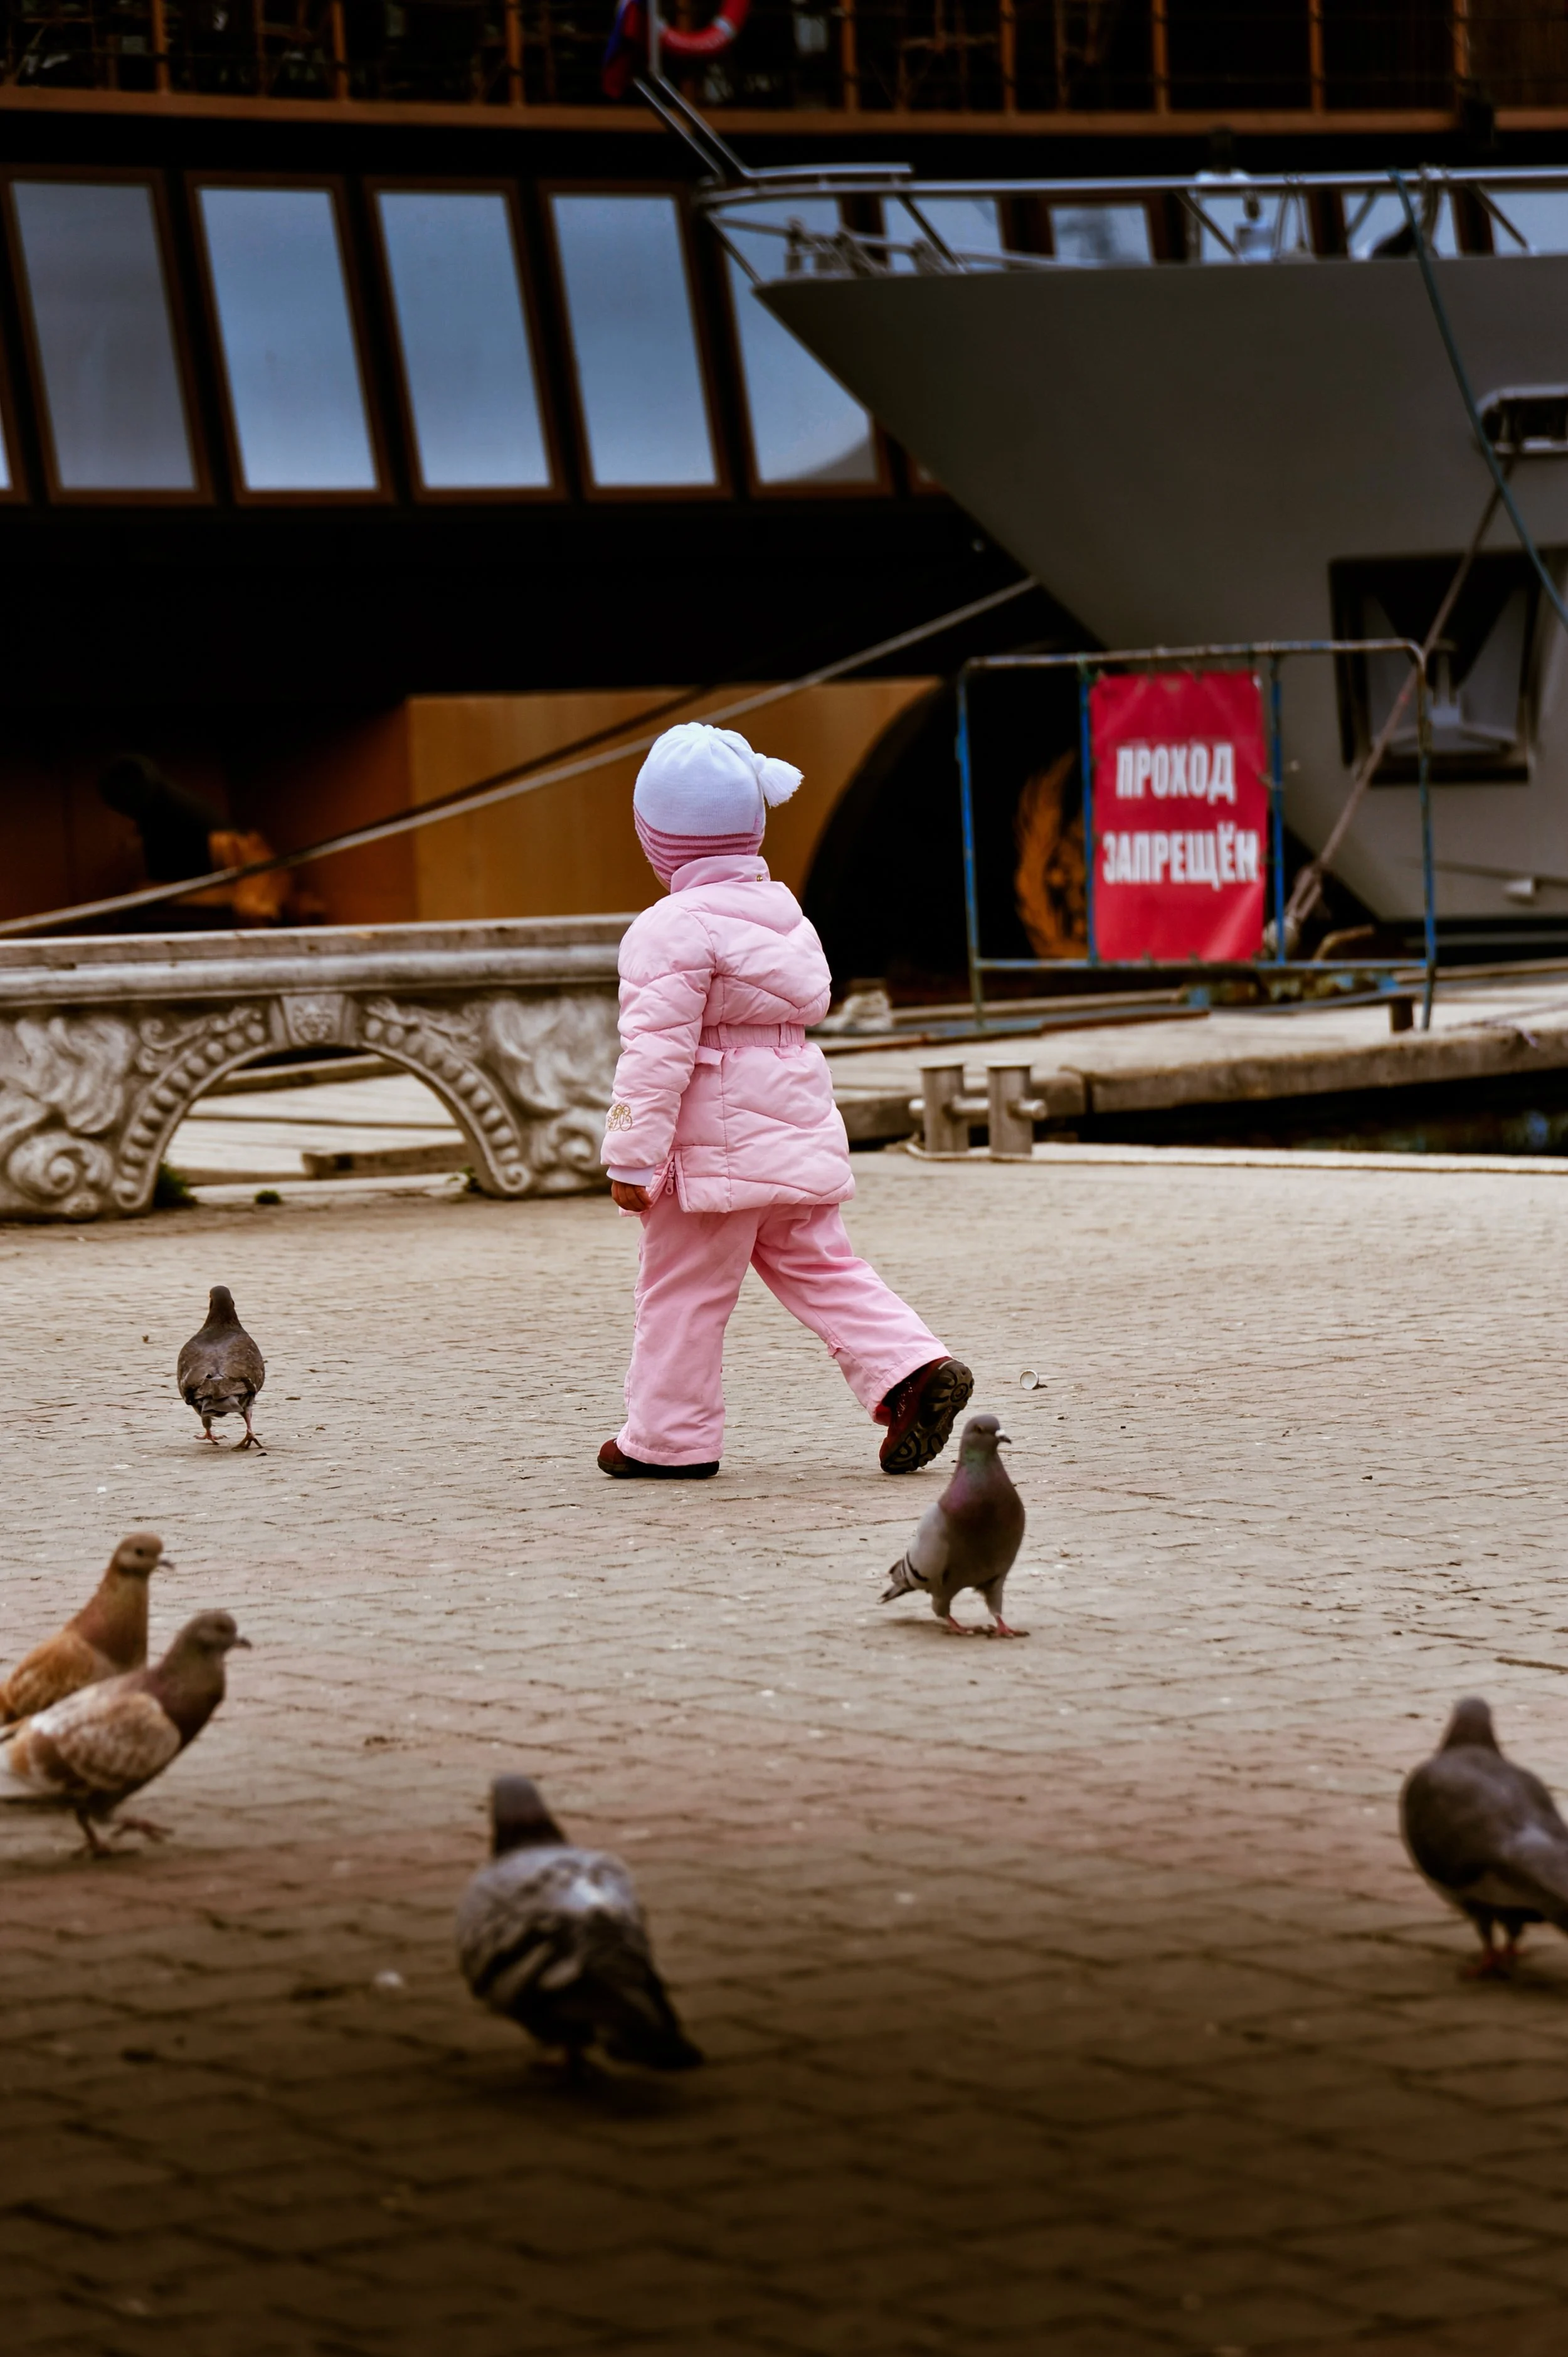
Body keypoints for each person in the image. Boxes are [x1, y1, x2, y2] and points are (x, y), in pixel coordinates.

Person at [599, 721, 971, 1481]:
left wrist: (630, 1155)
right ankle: (913, 1368)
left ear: (657, 837)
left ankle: (669, 1438)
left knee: (683, 1290)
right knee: (822, 1263)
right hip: (794, 1128)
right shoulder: (785, 912)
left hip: (711, 1154)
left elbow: (654, 1055)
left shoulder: (666, 930)